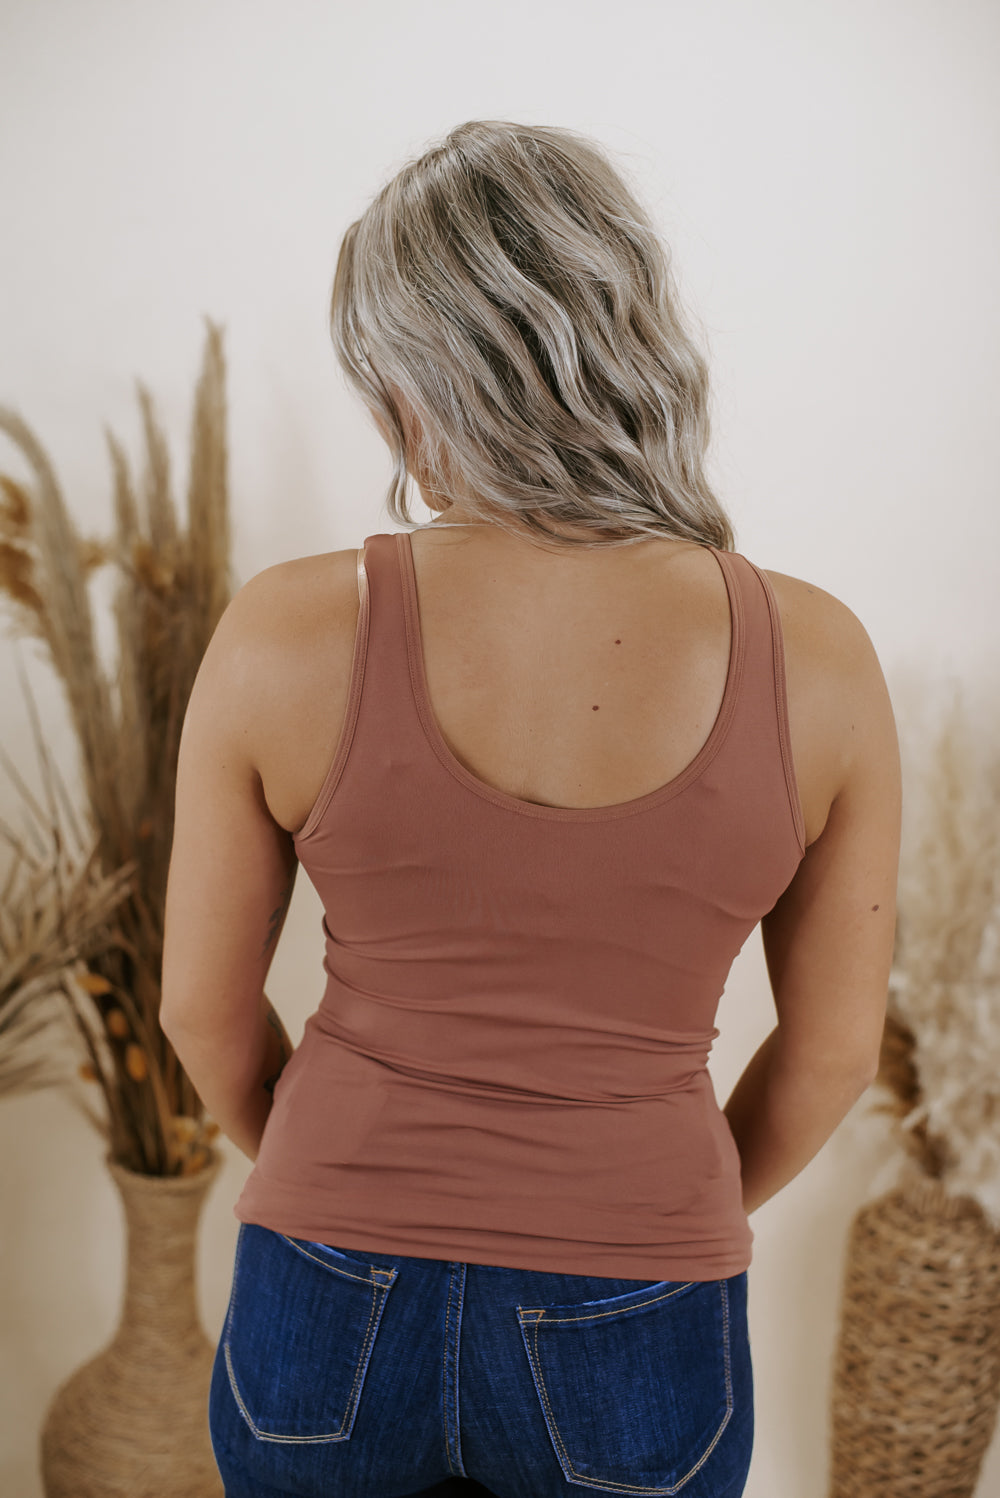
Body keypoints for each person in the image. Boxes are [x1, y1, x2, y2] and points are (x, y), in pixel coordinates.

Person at [161, 120, 901, 1498]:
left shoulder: (284, 632)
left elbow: (199, 1014)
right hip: (642, 1293)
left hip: (328, 1287)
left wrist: (344, 1174)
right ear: (631, 337)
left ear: (409, 384)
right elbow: (836, 1053)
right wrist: (650, 1205)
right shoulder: (818, 659)